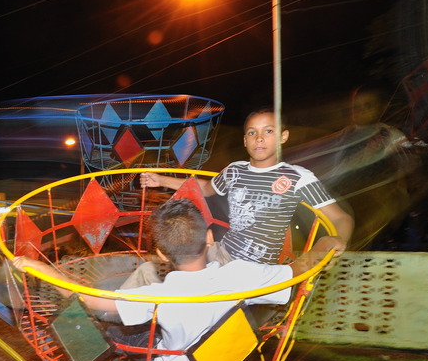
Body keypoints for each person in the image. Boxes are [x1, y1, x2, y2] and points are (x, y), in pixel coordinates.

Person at [12, 199, 321, 361]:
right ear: (210, 238)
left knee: (117, 334)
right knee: (146, 323)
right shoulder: (243, 276)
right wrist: (329, 243)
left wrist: (41, 269)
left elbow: (89, 300)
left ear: (160, 254)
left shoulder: (160, 294)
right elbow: (302, 268)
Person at [139, 108, 354, 268]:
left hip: (256, 268)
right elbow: (205, 188)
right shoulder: (235, 170)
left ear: (283, 137)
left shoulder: (298, 177)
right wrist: (161, 180)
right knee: (158, 269)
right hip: (223, 253)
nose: (259, 138)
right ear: (244, 140)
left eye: (268, 131)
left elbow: (341, 218)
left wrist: (338, 238)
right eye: (252, 133)